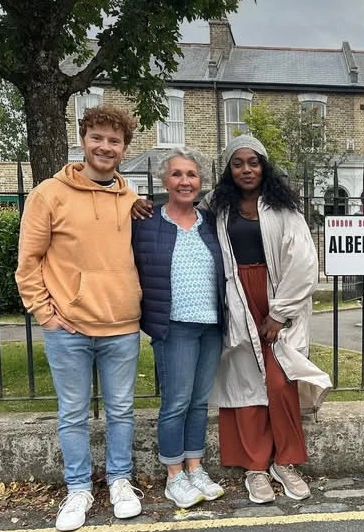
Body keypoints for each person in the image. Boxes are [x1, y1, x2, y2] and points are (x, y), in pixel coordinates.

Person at [15, 105, 144, 531]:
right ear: (83, 140)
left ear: (124, 148)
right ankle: (78, 489)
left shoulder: (129, 198)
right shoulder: (48, 194)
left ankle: (120, 480)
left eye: (114, 141)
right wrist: (45, 314)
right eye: (97, 138)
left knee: (121, 410)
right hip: (68, 329)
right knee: (72, 413)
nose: (105, 147)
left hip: (122, 326)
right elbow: (28, 263)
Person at [200, 134, 331, 504]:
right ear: (228, 169)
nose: (246, 169)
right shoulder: (215, 206)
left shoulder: (283, 208)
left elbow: (303, 262)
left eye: (253, 162)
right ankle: (256, 466)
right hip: (236, 300)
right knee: (245, 383)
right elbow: (179, 216)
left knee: (280, 380)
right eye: (238, 163)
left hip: (276, 299)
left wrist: (278, 313)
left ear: (264, 166)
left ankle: (285, 461)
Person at [131, 148, 226, 509]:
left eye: (192, 175)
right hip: (173, 327)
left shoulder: (211, 222)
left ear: (201, 181)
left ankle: (195, 467)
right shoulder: (145, 221)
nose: (185, 181)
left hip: (211, 325)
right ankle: (174, 476)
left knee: (199, 402)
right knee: (176, 402)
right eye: (177, 174)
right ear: (164, 180)